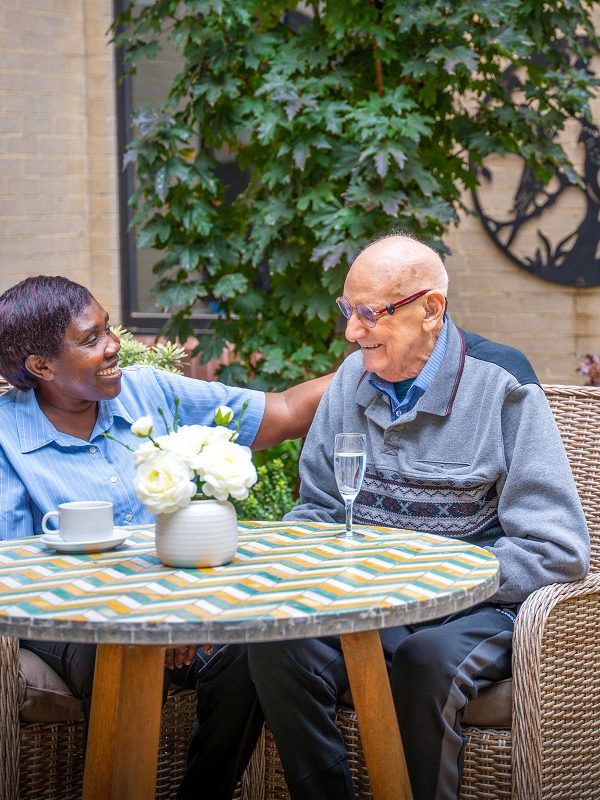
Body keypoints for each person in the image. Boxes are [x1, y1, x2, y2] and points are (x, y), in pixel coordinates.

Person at [176, 234, 589, 800]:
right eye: (348, 311)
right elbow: (317, 510)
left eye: (370, 313)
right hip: (373, 604)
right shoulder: (352, 380)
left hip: (479, 608)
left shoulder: (503, 387)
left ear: (430, 310)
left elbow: (556, 549)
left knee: (426, 660)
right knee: (271, 643)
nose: (351, 332)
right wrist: (296, 572)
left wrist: (428, 576)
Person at [0, 274, 332, 735]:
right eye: (90, 339)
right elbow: (13, 574)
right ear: (41, 366)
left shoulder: (147, 391)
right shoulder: (6, 440)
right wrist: (145, 622)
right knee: (126, 651)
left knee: (253, 650)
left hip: (181, 603)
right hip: (71, 622)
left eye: (108, 327)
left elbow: (284, 413)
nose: (113, 345)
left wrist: (373, 362)